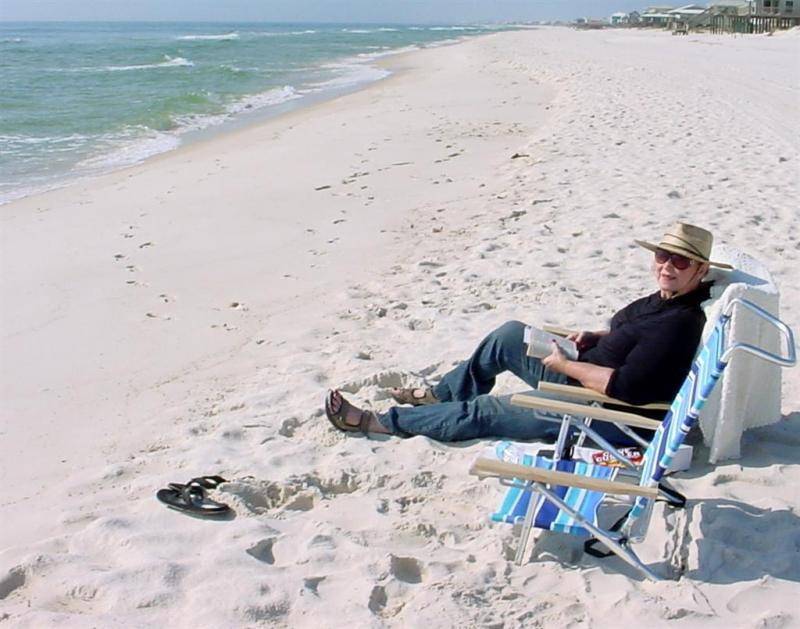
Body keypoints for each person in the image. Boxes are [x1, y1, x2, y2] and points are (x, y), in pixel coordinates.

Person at [324, 222, 731, 443]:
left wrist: (563, 367)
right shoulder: (664, 300)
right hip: (584, 376)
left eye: (681, 262)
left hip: (601, 413)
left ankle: (379, 423)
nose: (667, 266)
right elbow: (633, 341)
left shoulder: (680, 323)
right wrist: (596, 339)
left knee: (490, 411)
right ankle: (443, 395)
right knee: (509, 334)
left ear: (700, 271)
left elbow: (624, 386)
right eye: (663, 255)